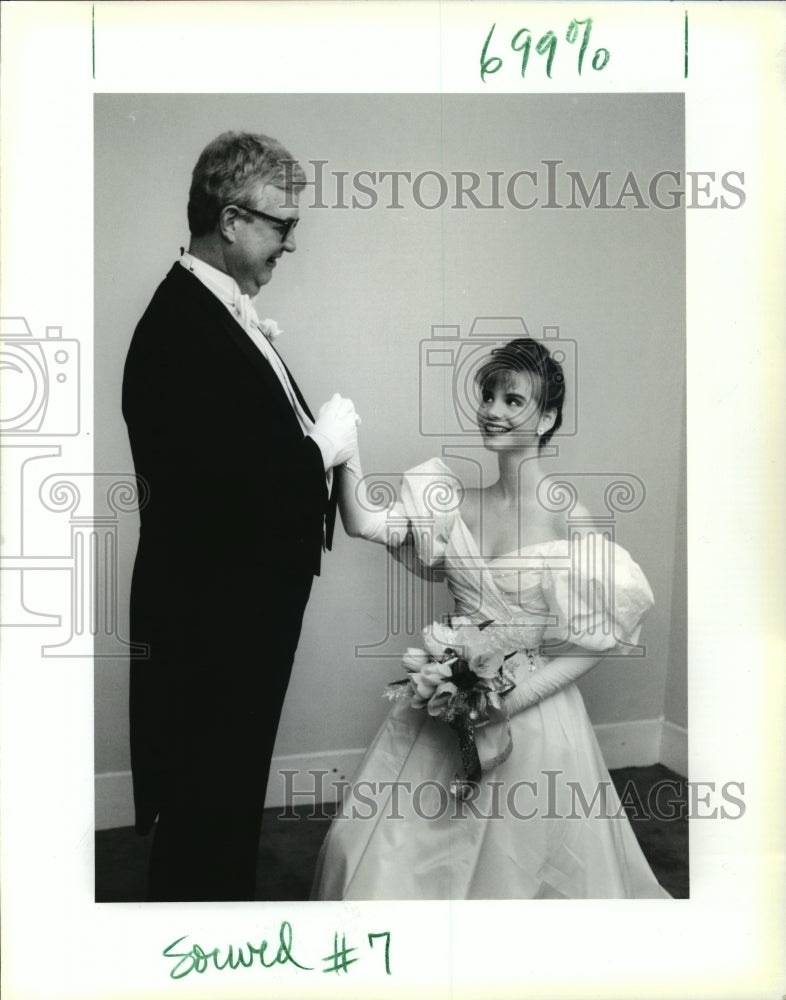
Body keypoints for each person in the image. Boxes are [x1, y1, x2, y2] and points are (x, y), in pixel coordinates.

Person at [312, 337, 671, 899]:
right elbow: (363, 524)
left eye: (513, 400)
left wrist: (506, 702)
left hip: (530, 714)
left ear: (547, 417)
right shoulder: (454, 502)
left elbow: (597, 641)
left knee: (523, 872)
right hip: (445, 701)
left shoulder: (567, 514)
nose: (493, 409)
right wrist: (345, 449)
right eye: (489, 395)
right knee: (372, 854)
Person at [122, 131, 358, 901]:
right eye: (282, 225)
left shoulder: (213, 309)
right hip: (214, 622)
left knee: (223, 799)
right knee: (207, 802)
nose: (292, 243)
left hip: (239, 613)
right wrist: (318, 450)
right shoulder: (180, 327)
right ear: (230, 220)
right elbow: (212, 492)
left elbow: (238, 452)